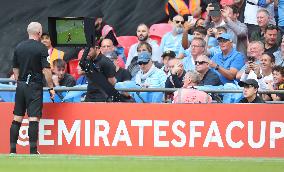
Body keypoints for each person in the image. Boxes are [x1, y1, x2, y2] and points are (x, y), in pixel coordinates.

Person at [10, 22, 55, 154]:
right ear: (39, 33)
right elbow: (46, 70)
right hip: (34, 86)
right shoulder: (41, 48)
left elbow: (15, 68)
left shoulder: (19, 47)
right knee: (33, 118)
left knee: (17, 117)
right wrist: (51, 87)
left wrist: (20, 82)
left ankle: (12, 151)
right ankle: (33, 151)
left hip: (21, 85)